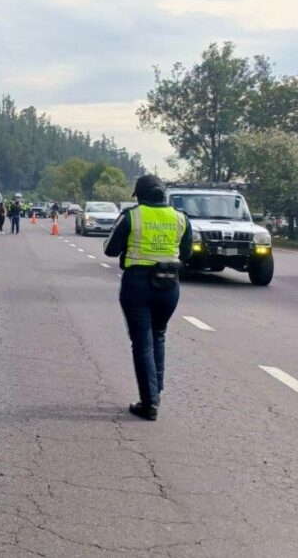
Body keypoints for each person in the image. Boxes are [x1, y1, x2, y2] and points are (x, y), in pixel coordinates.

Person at [104, 175, 192, 421]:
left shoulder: (132, 215)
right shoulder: (180, 218)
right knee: (159, 335)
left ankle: (149, 402)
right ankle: (156, 392)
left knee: (142, 342)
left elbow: (110, 249)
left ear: (139, 195)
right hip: (169, 284)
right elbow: (187, 252)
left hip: (138, 283)